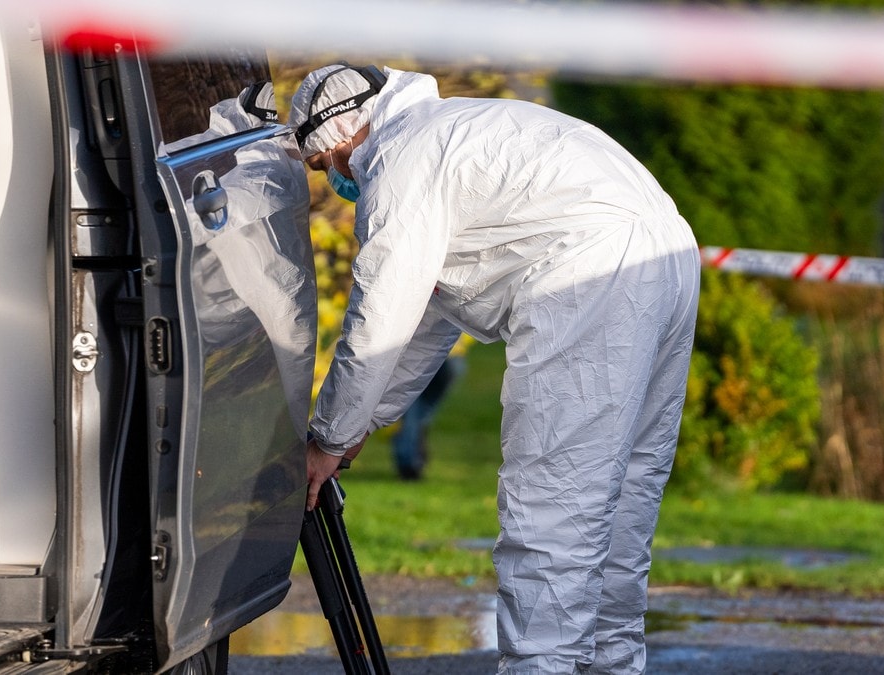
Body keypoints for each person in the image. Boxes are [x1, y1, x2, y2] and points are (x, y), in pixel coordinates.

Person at [292, 63, 700, 674]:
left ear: (341, 135)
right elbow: (423, 325)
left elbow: (380, 319)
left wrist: (325, 438)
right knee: (619, 510)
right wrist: (356, 427)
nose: (338, 179)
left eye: (327, 164)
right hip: (668, 253)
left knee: (553, 511)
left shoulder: (403, 160)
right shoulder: (451, 131)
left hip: (589, 273)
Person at [390, 333, 473, 480]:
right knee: (420, 408)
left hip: (416, 353)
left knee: (412, 406)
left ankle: (409, 461)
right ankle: (415, 449)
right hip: (452, 354)